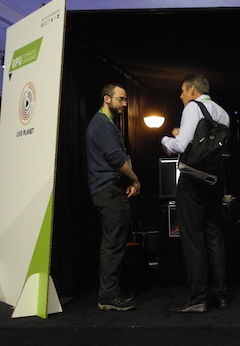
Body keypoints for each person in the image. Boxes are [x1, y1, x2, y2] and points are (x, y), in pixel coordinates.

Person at [161, 74, 230, 313]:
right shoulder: (223, 113)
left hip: (192, 180)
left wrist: (166, 139)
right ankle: (220, 296)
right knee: (214, 235)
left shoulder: (192, 107)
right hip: (215, 180)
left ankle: (198, 298)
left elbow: (181, 146)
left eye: (182, 91)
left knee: (193, 238)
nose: (181, 96)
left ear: (192, 90)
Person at [86, 83, 141, 311]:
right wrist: (135, 180)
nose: (125, 104)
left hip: (109, 189)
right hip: (108, 191)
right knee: (113, 244)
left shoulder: (105, 123)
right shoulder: (102, 124)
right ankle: (108, 296)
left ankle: (110, 293)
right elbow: (117, 160)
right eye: (121, 99)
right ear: (106, 99)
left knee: (114, 242)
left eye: (126, 100)